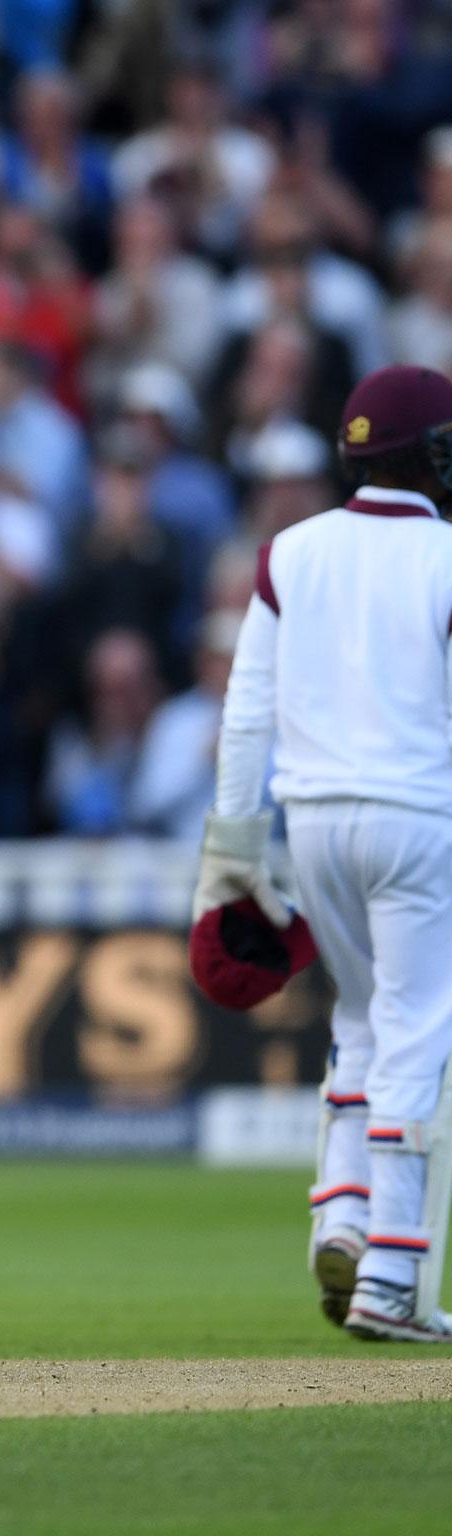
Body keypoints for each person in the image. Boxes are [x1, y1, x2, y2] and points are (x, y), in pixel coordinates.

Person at [198, 364, 452, 1343]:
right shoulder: (442, 556)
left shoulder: (287, 553)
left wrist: (229, 852)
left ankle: (338, 1211)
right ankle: (393, 1271)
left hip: (311, 819)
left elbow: (244, 710)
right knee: (418, 1030)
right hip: (416, 817)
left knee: (359, 1016)